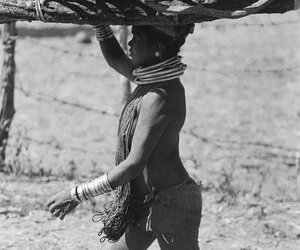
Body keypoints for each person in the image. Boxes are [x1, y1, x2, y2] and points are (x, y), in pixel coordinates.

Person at [47, 23, 202, 250]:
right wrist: (99, 22)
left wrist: (76, 194)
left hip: (173, 203)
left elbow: (134, 164)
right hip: (150, 202)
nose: (129, 44)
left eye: (136, 40)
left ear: (157, 48)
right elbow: (115, 59)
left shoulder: (161, 95)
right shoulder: (151, 82)